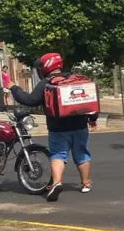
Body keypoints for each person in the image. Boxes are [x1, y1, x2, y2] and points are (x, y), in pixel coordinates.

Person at [8, 53, 97, 202]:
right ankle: (85, 183)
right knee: (81, 154)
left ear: (47, 66)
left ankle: (56, 182)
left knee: (58, 155)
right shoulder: (74, 79)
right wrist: (92, 119)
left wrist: (14, 88)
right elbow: (89, 100)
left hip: (58, 127)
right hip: (80, 125)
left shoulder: (46, 83)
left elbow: (29, 100)